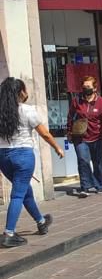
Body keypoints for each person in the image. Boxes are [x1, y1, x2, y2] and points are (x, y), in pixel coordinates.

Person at [0, 77, 62, 248]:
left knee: (24, 190)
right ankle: (9, 233)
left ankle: (41, 221)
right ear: (20, 92)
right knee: (18, 194)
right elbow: (45, 134)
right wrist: (57, 148)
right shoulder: (27, 110)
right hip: (23, 156)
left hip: (3, 156)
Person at [67, 76, 102, 197]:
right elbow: (70, 117)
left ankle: (100, 185)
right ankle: (85, 187)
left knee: (97, 162)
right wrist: (69, 132)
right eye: (84, 87)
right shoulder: (77, 101)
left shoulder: (101, 102)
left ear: (94, 88)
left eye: (88, 87)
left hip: (97, 137)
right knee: (83, 161)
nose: (85, 89)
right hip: (80, 137)